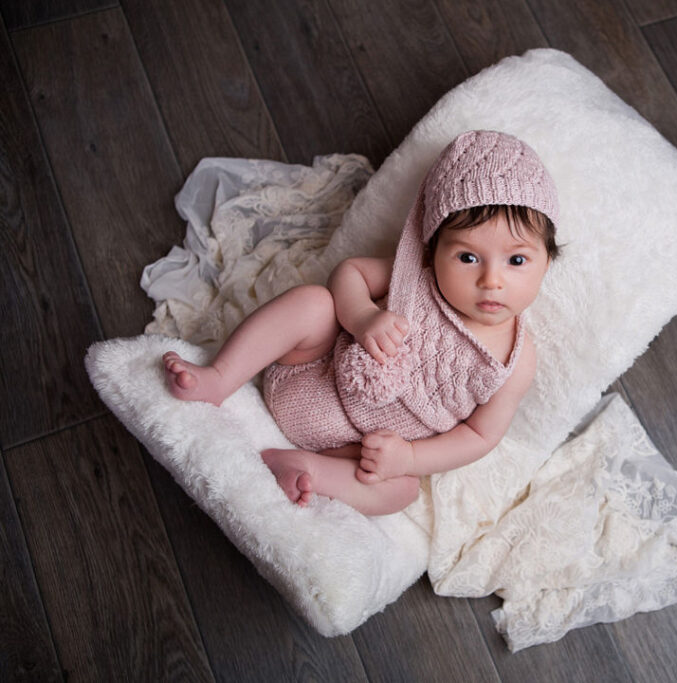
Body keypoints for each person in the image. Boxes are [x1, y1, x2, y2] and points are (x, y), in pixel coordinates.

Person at [161, 130, 559, 516]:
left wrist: (408, 457)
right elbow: (348, 273)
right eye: (468, 258)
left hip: (355, 447)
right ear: (433, 246)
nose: (492, 280)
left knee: (400, 490)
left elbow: (479, 436)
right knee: (314, 302)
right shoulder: (415, 276)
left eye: (517, 261)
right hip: (313, 371)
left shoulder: (515, 361)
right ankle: (219, 376)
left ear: (547, 260)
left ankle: (308, 471)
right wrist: (363, 316)